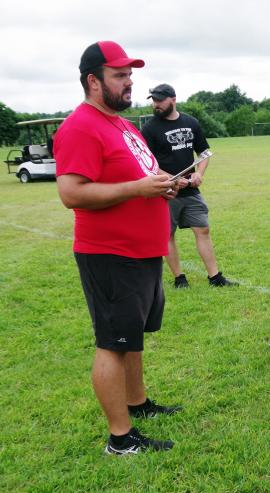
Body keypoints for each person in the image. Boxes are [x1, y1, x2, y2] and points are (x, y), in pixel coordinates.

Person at [55, 41, 186, 455]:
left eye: (130, 74)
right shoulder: (80, 126)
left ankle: (137, 403)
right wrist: (138, 188)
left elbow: (143, 172)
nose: (129, 82)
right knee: (113, 341)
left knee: (132, 336)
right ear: (93, 80)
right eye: (119, 75)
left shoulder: (123, 125)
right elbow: (71, 193)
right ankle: (120, 437)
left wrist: (165, 181)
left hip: (143, 252)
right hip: (110, 253)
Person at [140, 83, 235, 289]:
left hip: (191, 191)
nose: (156, 104)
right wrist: (171, 179)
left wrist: (199, 174)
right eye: (154, 100)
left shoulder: (191, 122)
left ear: (173, 100)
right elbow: (146, 162)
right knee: (168, 235)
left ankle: (215, 277)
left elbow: (203, 154)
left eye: (159, 100)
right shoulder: (149, 129)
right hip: (165, 192)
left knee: (203, 230)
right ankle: (179, 278)